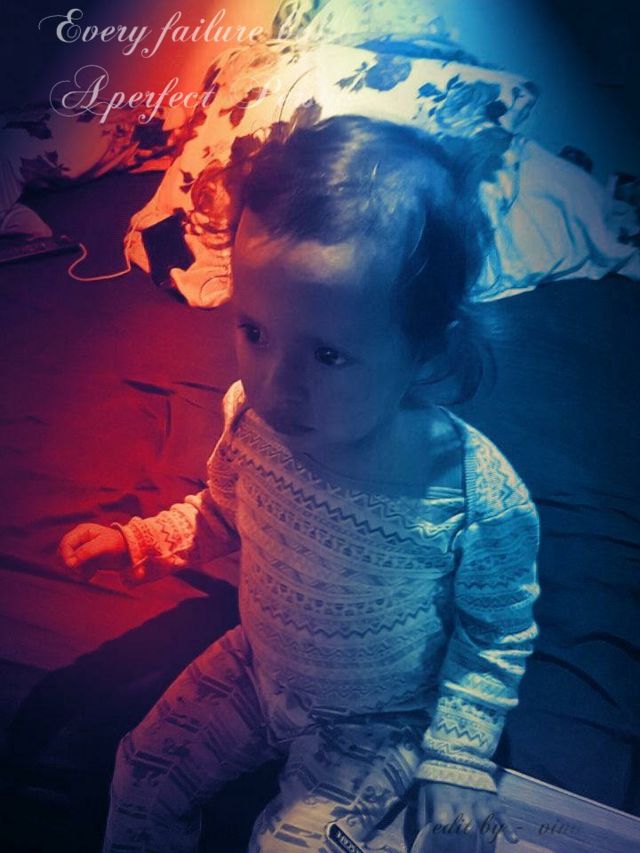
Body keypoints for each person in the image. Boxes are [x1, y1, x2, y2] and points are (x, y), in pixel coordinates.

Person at [58, 115, 540, 853]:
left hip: (379, 721)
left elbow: (496, 627)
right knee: (140, 778)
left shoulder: (472, 490)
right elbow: (222, 512)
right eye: (253, 331)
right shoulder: (249, 419)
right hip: (257, 666)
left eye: (328, 355)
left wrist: (460, 755)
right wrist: (138, 542)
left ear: (423, 351)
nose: (275, 386)